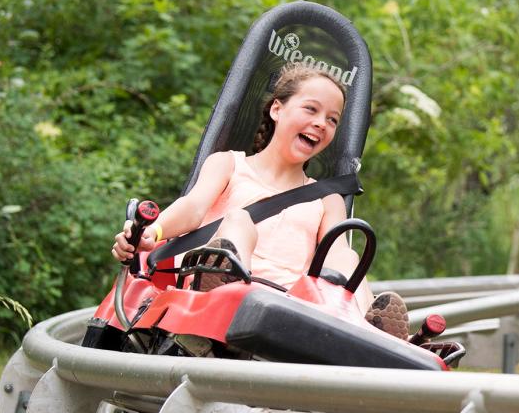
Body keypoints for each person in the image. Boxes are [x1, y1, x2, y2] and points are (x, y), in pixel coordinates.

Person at [110, 63, 409, 339]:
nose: (321, 123)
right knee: (238, 219)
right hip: (223, 293)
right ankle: (224, 286)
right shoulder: (229, 165)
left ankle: (375, 335)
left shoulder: (327, 198)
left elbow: (339, 259)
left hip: (293, 304)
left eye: (332, 120)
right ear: (277, 110)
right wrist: (153, 232)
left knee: (346, 255)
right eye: (311, 110)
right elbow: (193, 207)